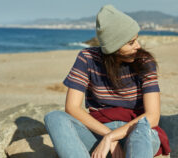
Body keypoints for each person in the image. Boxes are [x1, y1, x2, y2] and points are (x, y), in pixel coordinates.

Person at [44, 5, 170, 158]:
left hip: (137, 134)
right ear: (114, 48)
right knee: (54, 117)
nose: (138, 46)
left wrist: (112, 136)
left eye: (137, 40)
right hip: (97, 137)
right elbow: (72, 108)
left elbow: (152, 116)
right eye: (131, 43)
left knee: (142, 126)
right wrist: (108, 136)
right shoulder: (87, 58)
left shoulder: (145, 61)